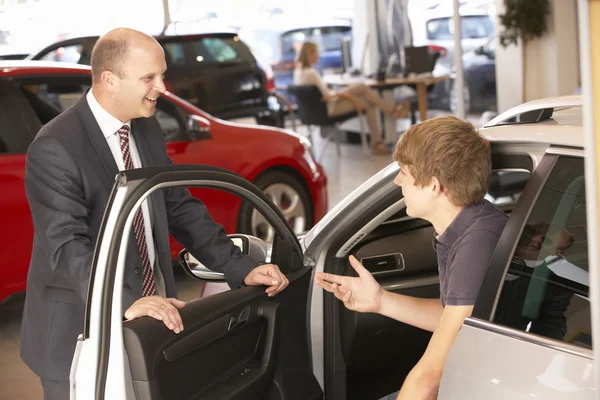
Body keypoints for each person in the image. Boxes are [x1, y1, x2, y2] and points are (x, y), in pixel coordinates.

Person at [21, 28, 289, 400]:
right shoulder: (55, 146)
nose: (162, 88)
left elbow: (176, 205)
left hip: (154, 315)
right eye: (149, 77)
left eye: (161, 75)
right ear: (109, 80)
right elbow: (67, 247)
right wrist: (129, 301)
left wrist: (239, 267)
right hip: (80, 327)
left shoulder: (145, 128)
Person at [314, 116, 508, 399]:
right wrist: (380, 301)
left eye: (404, 171)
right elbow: (454, 317)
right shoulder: (470, 226)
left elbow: (429, 380)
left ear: (433, 185)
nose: (397, 180)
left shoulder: (476, 244)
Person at [293, 41, 410, 155]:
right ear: (309, 54)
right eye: (316, 53)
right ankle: (392, 113)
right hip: (329, 108)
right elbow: (327, 96)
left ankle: (379, 140)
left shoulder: (298, 72)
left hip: (315, 112)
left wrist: (344, 93)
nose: (318, 55)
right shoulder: (311, 73)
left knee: (364, 95)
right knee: (363, 90)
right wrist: (342, 93)